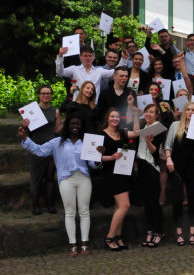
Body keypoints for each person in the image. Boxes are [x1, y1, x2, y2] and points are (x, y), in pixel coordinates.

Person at [19, 115, 98, 256]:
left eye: (78, 124)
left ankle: (85, 244)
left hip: (83, 179)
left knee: (84, 211)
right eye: (72, 124)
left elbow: (93, 164)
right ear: (67, 126)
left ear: (82, 127)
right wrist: (25, 138)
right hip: (66, 180)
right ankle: (73, 245)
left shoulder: (87, 143)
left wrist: (98, 157)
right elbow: (39, 150)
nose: (75, 126)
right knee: (70, 212)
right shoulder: (57, 142)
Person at [164, 101, 194, 246]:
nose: (190, 112)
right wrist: (169, 159)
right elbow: (168, 145)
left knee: (192, 198)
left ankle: (192, 232)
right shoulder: (175, 126)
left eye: (193, 110)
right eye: (188, 109)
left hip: (192, 166)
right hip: (176, 166)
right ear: (184, 111)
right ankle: (179, 233)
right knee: (177, 198)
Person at [98, 107, 143, 251]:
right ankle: (109, 237)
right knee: (125, 205)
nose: (115, 119)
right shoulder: (101, 135)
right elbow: (95, 157)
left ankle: (118, 237)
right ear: (107, 118)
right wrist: (111, 157)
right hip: (112, 173)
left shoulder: (122, 132)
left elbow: (136, 133)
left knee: (119, 207)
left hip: (125, 171)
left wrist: (136, 116)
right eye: (112, 116)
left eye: (117, 117)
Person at [22, 85, 60, 215]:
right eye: (43, 93)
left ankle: (50, 205)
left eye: (48, 93)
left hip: (50, 147)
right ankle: (36, 206)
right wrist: (23, 126)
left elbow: (56, 131)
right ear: (39, 94)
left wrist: (69, 124)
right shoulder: (30, 110)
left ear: (51, 95)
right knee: (36, 178)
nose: (46, 96)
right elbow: (25, 132)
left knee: (50, 178)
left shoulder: (55, 111)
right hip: (34, 146)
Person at [135, 103, 168, 248]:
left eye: (151, 112)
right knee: (146, 201)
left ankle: (158, 231)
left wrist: (148, 142)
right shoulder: (143, 127)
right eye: (147, 111)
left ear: (157, 114)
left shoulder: (158, 128)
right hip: (141, 164)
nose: (148, 114)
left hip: (151, 166)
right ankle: (150, 230)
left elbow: (155, 151)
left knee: (154, 201)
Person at [56, 44, 123, 103]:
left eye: (90, 56)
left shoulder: (99, 71)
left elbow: (116, 71)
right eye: (85, 56)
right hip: (78, 105)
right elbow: (60, 72)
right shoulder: (74, 69)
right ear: (80, 57)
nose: (88, 58)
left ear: (93, 57)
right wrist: (60, 56)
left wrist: (124, 59)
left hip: (93, 106)